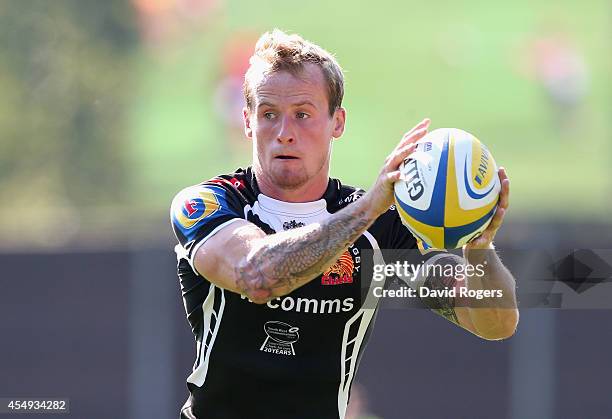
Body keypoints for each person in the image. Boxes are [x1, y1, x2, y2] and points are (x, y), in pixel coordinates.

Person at [171, 29, 518, 419]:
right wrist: (366, 210)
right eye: (269, 114)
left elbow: (493, 323)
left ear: (337, 122)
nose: (285, 133)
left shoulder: (380, 228)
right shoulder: (209, 204)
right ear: (248, 121)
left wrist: (478, 251)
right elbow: (257, 275)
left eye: (303, 114)